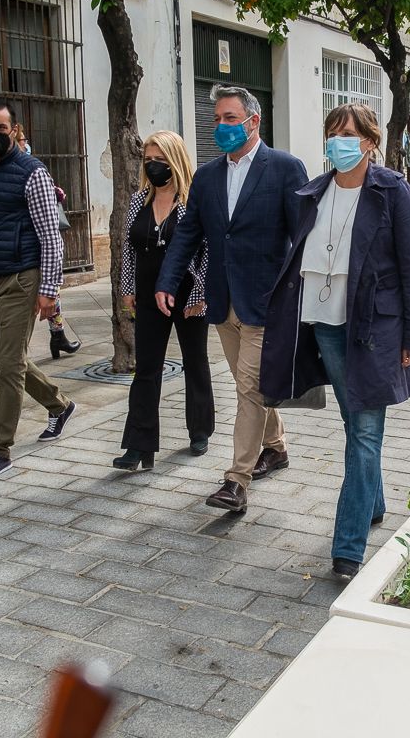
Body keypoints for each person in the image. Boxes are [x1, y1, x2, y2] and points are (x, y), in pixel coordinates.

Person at [260, 102, 410, 580]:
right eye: (332, 133)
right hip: (323, 323)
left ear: (370, 142)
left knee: (366, 429)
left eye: (348, 134)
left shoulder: (392, 191)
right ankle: (373, 503)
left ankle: (348, 546)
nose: (338, 142)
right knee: (356, 422)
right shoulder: (313, 191)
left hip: (375, 328)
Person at [156, 85, 307, 513]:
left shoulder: (285, 169)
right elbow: (188, 234)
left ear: (253, 121)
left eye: (230, 118)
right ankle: (275, 447)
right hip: (222, 303)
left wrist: (298, 296)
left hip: (265, 303)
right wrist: (167, 281)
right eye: (217, 119)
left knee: (248, 388)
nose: (221, 126)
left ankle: (236, 480)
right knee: (250, 386)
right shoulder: (206, 177)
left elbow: (302, 238)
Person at [0, 99, 76, 484]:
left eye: (0, 128)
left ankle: (0, 449)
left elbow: (50, 237)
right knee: (7, 360)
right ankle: (59, 404)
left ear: (15, 130)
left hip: (21, 279)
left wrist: (49, 290)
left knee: (9, 365)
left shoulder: (32, 173)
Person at [115, 131, 214, 470]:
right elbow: (128, 250)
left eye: (160, 159)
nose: (153, 166)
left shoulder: (194, 201)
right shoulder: (138, 201)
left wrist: (200, 294)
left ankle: (200, 430)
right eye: (149, 160)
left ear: (176, 161)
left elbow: (207, 251)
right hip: (147, 293)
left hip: (187, 293)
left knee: (195, 362)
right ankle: (138, 445)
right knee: (146, 368)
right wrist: (127, 289)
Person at [12, 125, 81, 359]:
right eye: (23, 139)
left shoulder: (33, 167)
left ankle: (57, 334)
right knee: (37, 297)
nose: (26, 143)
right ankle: (44, 340)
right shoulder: (23, 169)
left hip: (39, 242)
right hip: (29, 245)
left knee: (50, 292)